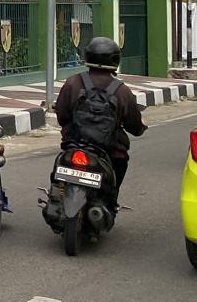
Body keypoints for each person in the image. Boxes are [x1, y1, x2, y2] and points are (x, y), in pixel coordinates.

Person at [53, 36, 147, 202]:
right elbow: (133, 125)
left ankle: (56, 195)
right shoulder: (122, 91)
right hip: (109, 151)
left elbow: (62, 116)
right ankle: (110, 202)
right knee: (120, 165)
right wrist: (140, 128)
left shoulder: (72, 82)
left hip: (74, 144)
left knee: (60, 166)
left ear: (88, 56)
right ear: (115, 59)